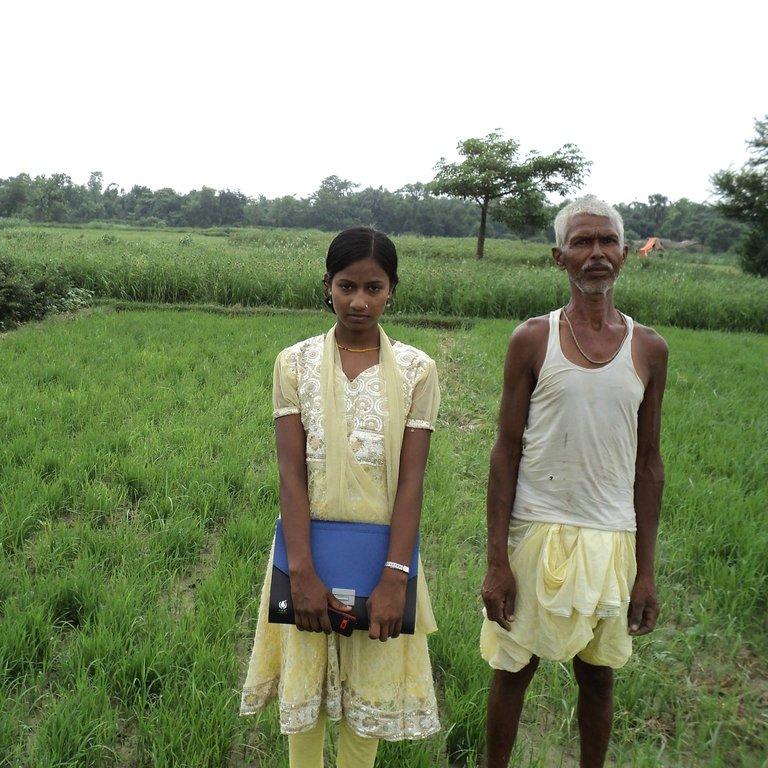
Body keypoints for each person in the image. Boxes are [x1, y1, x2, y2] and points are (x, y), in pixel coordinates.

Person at [240, 227, 442, 767]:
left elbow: (411, 483)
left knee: (367, 701)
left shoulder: (419, 371)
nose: (359, 301)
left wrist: (395, 575)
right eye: (347, 285)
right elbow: (291, 476)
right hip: (307, 553)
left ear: (392, 290)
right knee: (305, 707)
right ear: (327, 286)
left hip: (383, 559)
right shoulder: (295, 363)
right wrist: (300, 572)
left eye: (373, 288)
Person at [479, 196, 668, 767]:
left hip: (611, 539)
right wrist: (497, 560)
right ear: (559, 257)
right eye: (582, 243)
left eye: (607, 241)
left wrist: (646, 573)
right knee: (513, 671)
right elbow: (505, 451)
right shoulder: (532, 340)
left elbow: (649, 463)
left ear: (626, 255)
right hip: (537, 532)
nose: (596, 254)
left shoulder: (649, 349)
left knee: (599, 680)